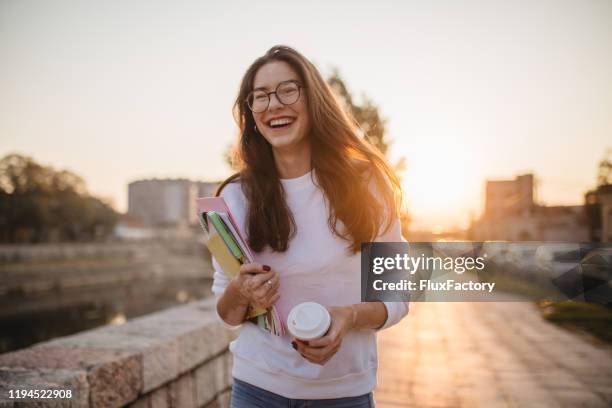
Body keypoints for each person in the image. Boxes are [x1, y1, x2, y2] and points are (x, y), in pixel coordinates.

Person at [212, 45, 409, 408]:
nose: (273, 104)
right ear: (251, 114)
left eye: (287, 90)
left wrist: (348, 316)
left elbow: (397, 296)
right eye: (260, 97)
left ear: (313, 99)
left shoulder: (368, 184)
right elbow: (226, 313)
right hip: (255, 387)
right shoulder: (235, 197)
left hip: (343, 394)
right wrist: (241, 292)